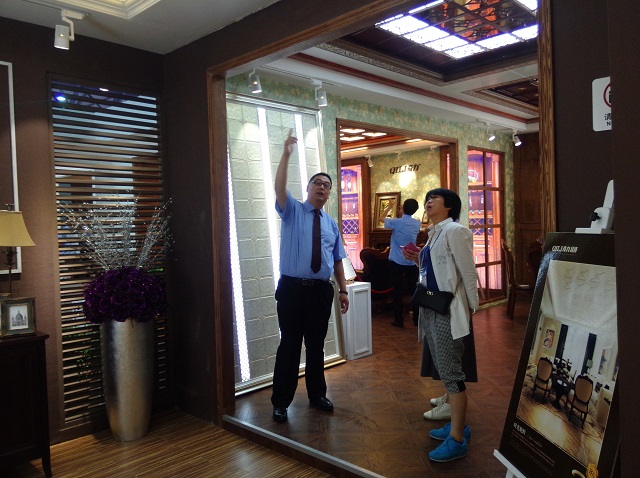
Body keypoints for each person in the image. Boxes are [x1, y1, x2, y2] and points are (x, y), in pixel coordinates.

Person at [271, 132, 350, 423]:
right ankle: (281, 402)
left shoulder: (331, 224)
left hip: (320, 291)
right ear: (307, 188)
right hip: (292, 289)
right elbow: (279, 187)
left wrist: (343, 290)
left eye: (327, 186)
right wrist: (286, 154)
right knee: (290, 345)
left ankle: (317, 395)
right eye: (317, 183)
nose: (322, 187)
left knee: (316, 345)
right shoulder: (292, 210)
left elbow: (337, 259)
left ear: (329, 194)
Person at [403, 188, 479, 462]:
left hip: (448, 309)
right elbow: (435, 271)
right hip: (431, 307)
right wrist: (418, 259)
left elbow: (468, 271)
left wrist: (472, 307)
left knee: (452, 374)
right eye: (428, 198)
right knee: (445, 368)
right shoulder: (434, 233)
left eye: (434, 198)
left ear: (449, 206)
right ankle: (457, 425)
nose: (428, 201)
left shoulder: (455, 231)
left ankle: (457, 439)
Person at [379, 198, 421, 327]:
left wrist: (389, 206)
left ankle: (399, 320)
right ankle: (417, 319)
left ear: (403, 208)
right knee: (414, 291)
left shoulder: (397, 222)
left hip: (396, 261)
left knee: (397, 292)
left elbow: (381, 218)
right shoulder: (417, 224)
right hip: (411, 261)